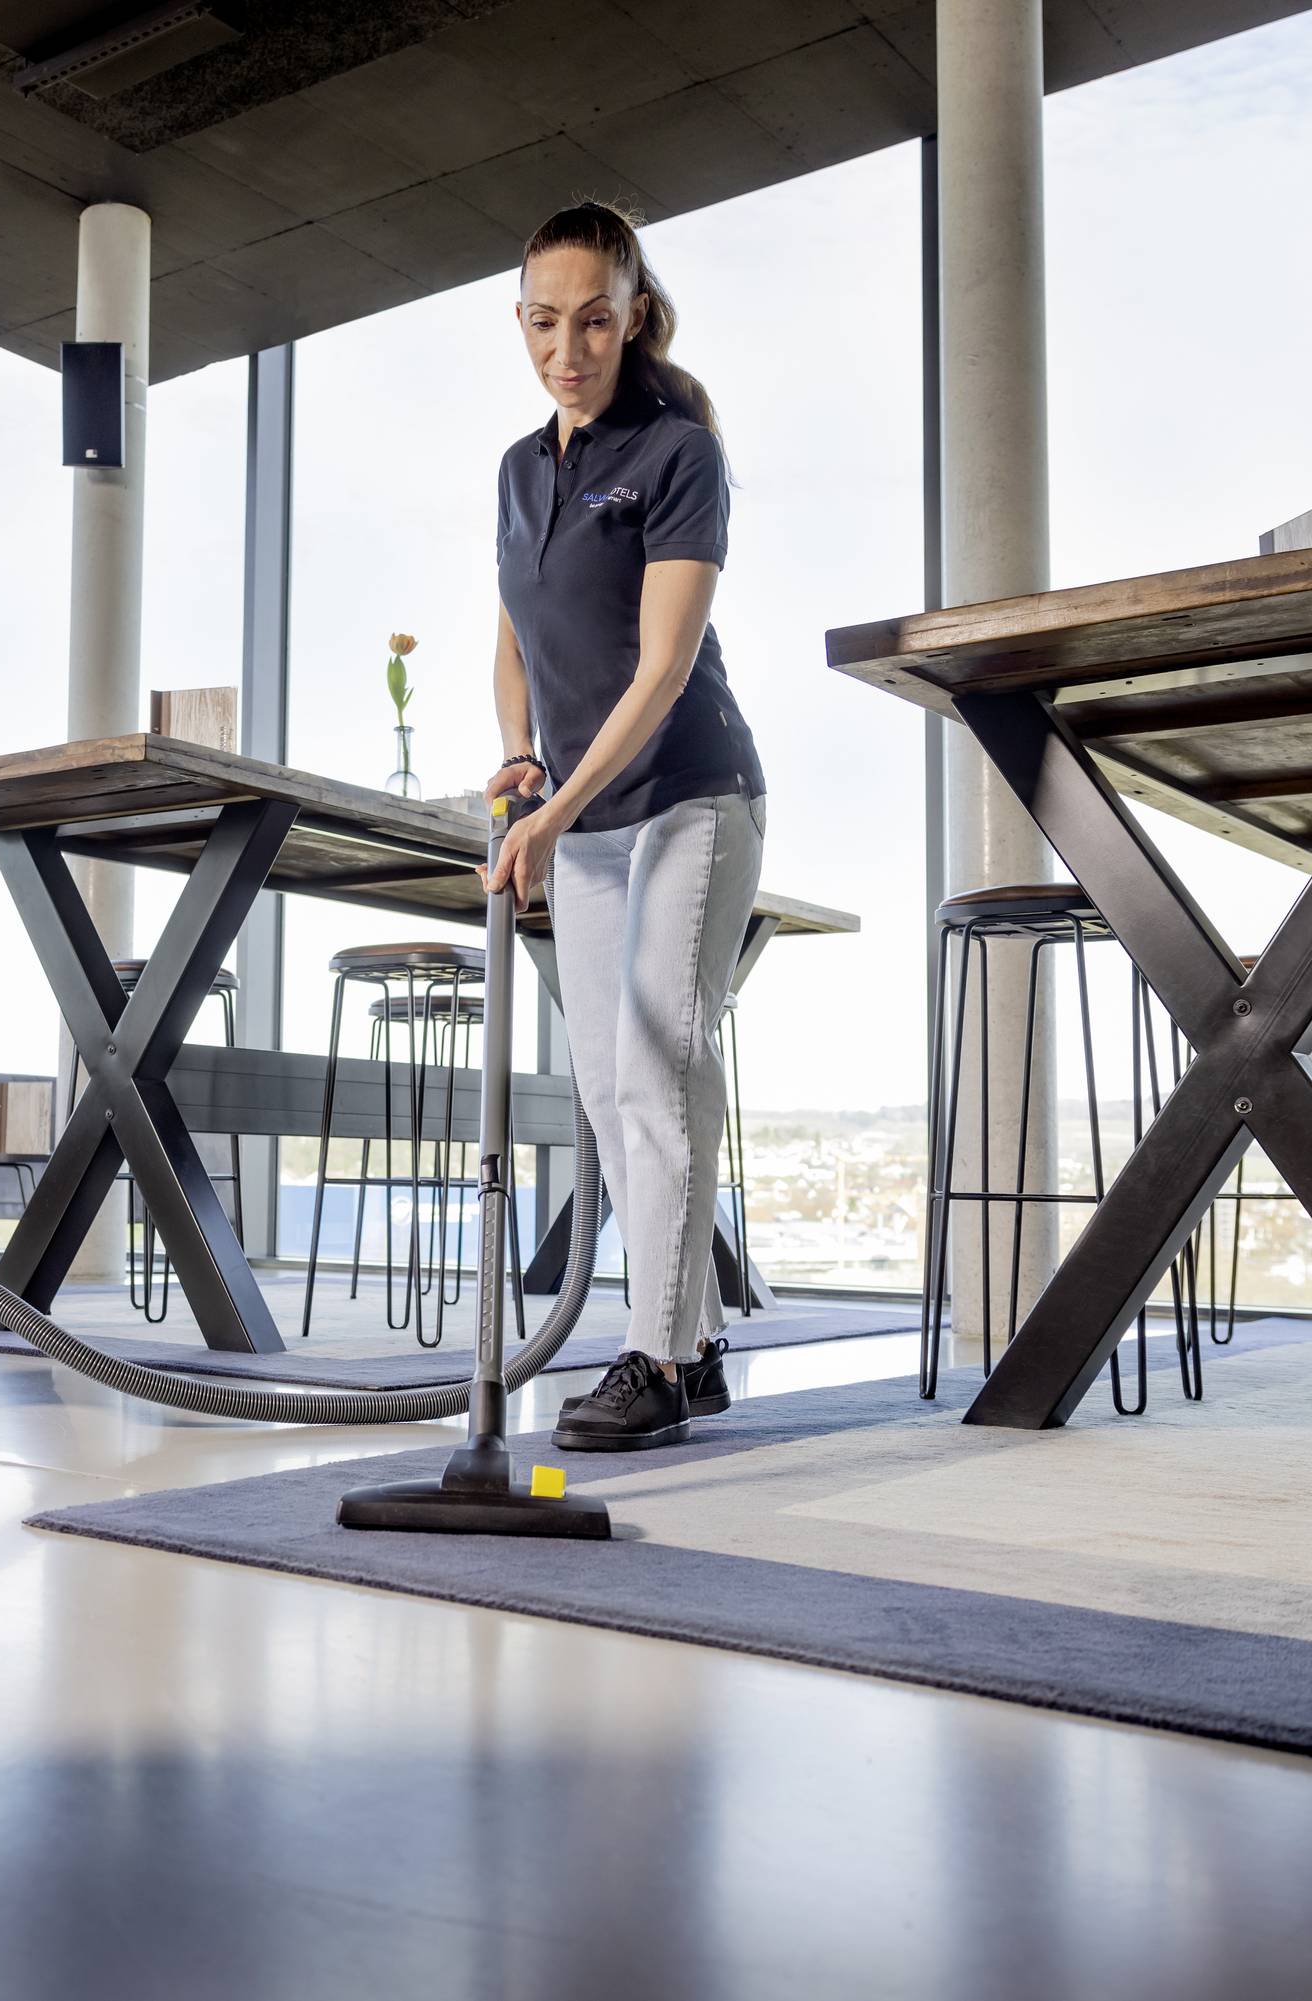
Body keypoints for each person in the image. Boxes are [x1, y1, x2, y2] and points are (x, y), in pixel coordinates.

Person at [482, 200, 766, 1453]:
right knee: (608, 1088)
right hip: (584, 811)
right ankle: (692, 1350)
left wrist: (555, 814)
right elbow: (515, 635)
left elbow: (660, 672)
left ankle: (650, 1356)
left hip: (691, 798)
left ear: (633, 314)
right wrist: (518, 760)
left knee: (660, 1064)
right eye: (544, 322)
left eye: (593, 320)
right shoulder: (518, 467)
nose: (567, 348)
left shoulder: (677, 455)